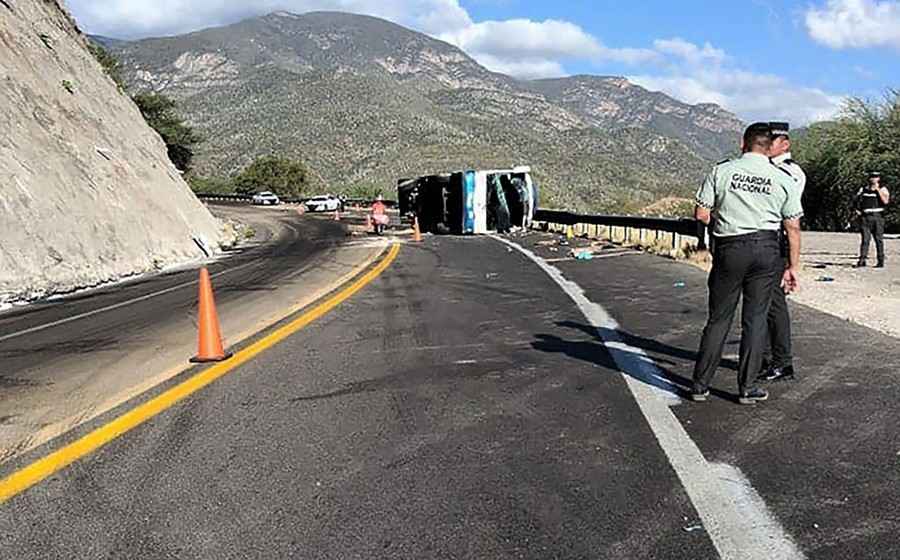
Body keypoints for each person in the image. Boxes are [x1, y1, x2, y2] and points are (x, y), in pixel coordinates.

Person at [691, 122, 804, 405]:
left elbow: (701, 214)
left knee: (718, 318)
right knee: (755, 320)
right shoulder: (782, 178)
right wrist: (792, 266)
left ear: (743, 143)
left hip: (730, 247)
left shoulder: (722, 170)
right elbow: (792, 227)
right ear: (769, 147)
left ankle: (700, 385)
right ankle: (747, 387)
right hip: (766, 250)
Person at [758, 122, 806, 383]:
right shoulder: (766, 169)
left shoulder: (789, 172)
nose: (767, 145)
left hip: (778, 241)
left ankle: (782, 361)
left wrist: (792, 262)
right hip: (765, 242)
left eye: (772, 140)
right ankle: (764, 358)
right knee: (763, 302)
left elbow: (788, 216)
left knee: (774, 303)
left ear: (784, 144)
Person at [855, 172, 890, 268]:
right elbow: (857, 201)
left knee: (878, 239)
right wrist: (857, 211)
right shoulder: (863, 189)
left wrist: (877, 190)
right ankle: (862, 260)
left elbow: (885, 201)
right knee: (865, 240)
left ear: (879, 179)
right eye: (872, 177)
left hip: (877, 216)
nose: (873, 179)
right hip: (865, 217)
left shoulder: (883, 189)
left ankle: (880, 260)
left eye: (875, 177)